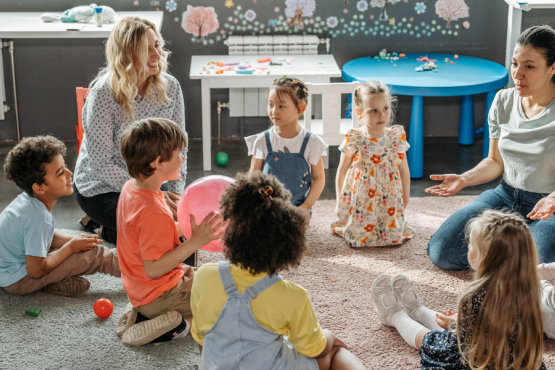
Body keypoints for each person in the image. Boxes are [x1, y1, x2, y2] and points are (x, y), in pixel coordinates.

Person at [190, 172, 366, 370]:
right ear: (287, 244)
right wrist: (330, 337)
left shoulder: (203, 276)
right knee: (335, 354)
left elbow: (203, 339)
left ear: (230, 229)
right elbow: (314, 349)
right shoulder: (293, 296)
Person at [426, 25, 555, 270]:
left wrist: (552, 199)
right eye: (515, 63)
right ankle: (515, 246)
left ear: (552, 68)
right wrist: (464, 179)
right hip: (506, 196)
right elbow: (495, 161)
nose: (517, 74)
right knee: (442, 252)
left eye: (529, 66)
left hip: (549, 204)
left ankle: (517, 246)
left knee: (538, 273)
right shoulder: (503, 100)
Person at [371, 209, 546, 370]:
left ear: (486, 256)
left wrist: (457, 326)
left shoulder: (476, 296)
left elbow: (462, 344)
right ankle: (417, 310)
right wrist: (459, 323)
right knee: (449, 328)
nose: (468, 246)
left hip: (479, 361)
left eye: (472, 245)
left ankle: (395, 316)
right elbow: (496, 328)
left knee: (430, 340)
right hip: (515, 360)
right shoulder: (530, 289)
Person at [73, 16, 187, 245]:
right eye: (147, 48)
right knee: (154, 230)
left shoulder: (171, 87)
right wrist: (151, 193)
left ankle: (112, 228)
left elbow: (179, 148)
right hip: (101, 187)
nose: (157, 54)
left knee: (176, 227)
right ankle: (106, 228)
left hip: (150, 179)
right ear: (127, 55)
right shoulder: (103, 93)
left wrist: (177, 197)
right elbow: (100, 163)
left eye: (157, 45)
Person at [115, 118, 222, 346]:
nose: (183, 158)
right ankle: (178, 325)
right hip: (160, 293)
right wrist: (194, 242)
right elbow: (154, 269)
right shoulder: (153, 211)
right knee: (225, 306)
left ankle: (141, 313)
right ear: (158, 163)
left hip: (142, 288)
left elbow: (148, 238)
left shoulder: (131, 188)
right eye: (179, 153)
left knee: (215, 276)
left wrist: (183, 229)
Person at [0, 136, 120, 297]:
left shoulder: (28, 200)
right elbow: (35, 271)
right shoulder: (38, 218)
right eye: (60, 173)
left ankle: (55, 281)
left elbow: (47, 235)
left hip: (9, 270)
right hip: (20, 280)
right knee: (95, 255)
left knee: (79, 247)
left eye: (66, 167)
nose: (70, 173)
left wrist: (73, 241)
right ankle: (147, 272)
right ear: (39, 187)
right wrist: (71, 247)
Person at [331, 81, 412, 247]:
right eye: (374, 110)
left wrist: (406, 196)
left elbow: (404, 170)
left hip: (388, 197)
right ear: (359, 112)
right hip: (362, 199)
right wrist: (340, 200)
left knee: (391, 233)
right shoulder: (355, 138)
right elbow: (342, 170)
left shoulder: (395, 138)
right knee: (360, 234)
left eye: (385, 109)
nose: (381, 115)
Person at [245, 76, 327, 216]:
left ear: (300, 108)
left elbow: (319, 179)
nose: (274, 111)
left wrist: (306, 206)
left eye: (281, 106)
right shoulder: (262, 140)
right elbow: (253, 176)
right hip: (267, 206)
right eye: (271, 105)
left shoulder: (312, 142)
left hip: (297, 208)